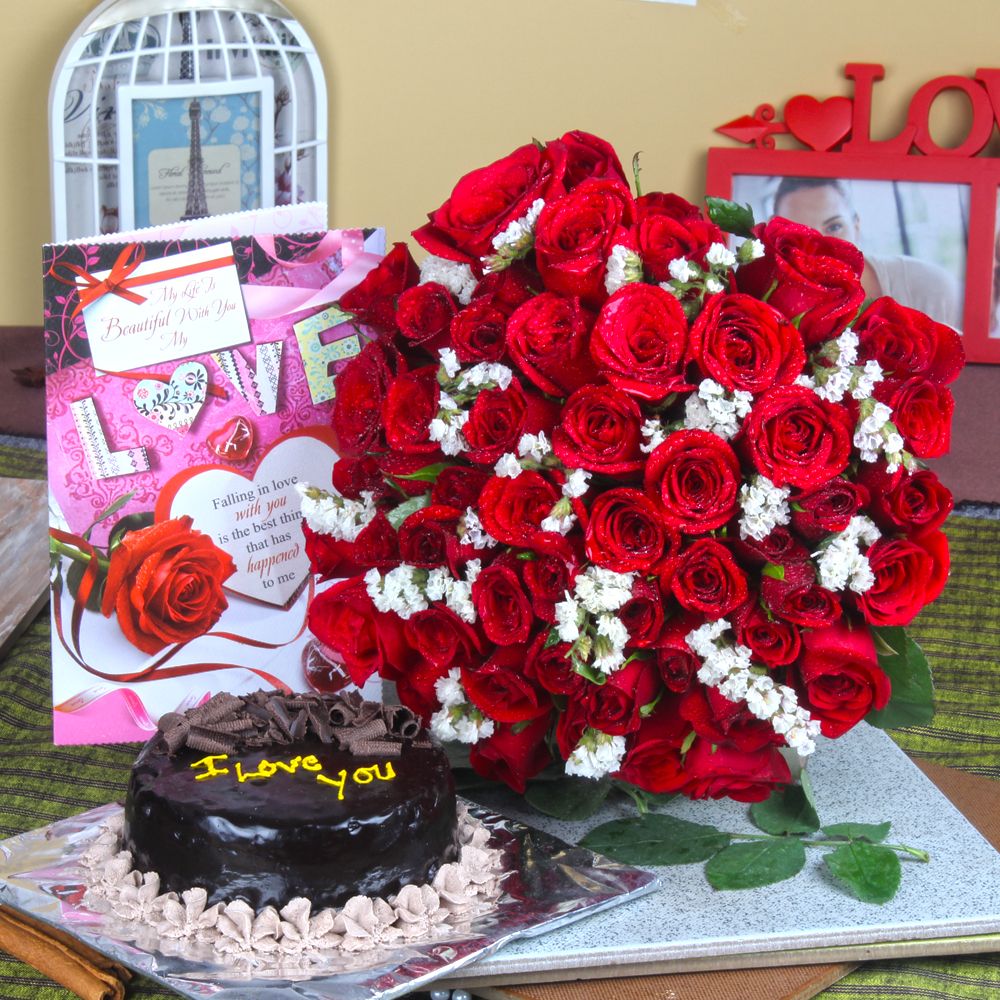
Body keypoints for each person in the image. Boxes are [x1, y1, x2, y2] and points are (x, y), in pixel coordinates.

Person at [771, 177, 962, 330]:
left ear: (856, 226)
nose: (821, 248)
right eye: (797, 233)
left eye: (834, 227)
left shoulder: (932, 289)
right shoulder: (768, 308)